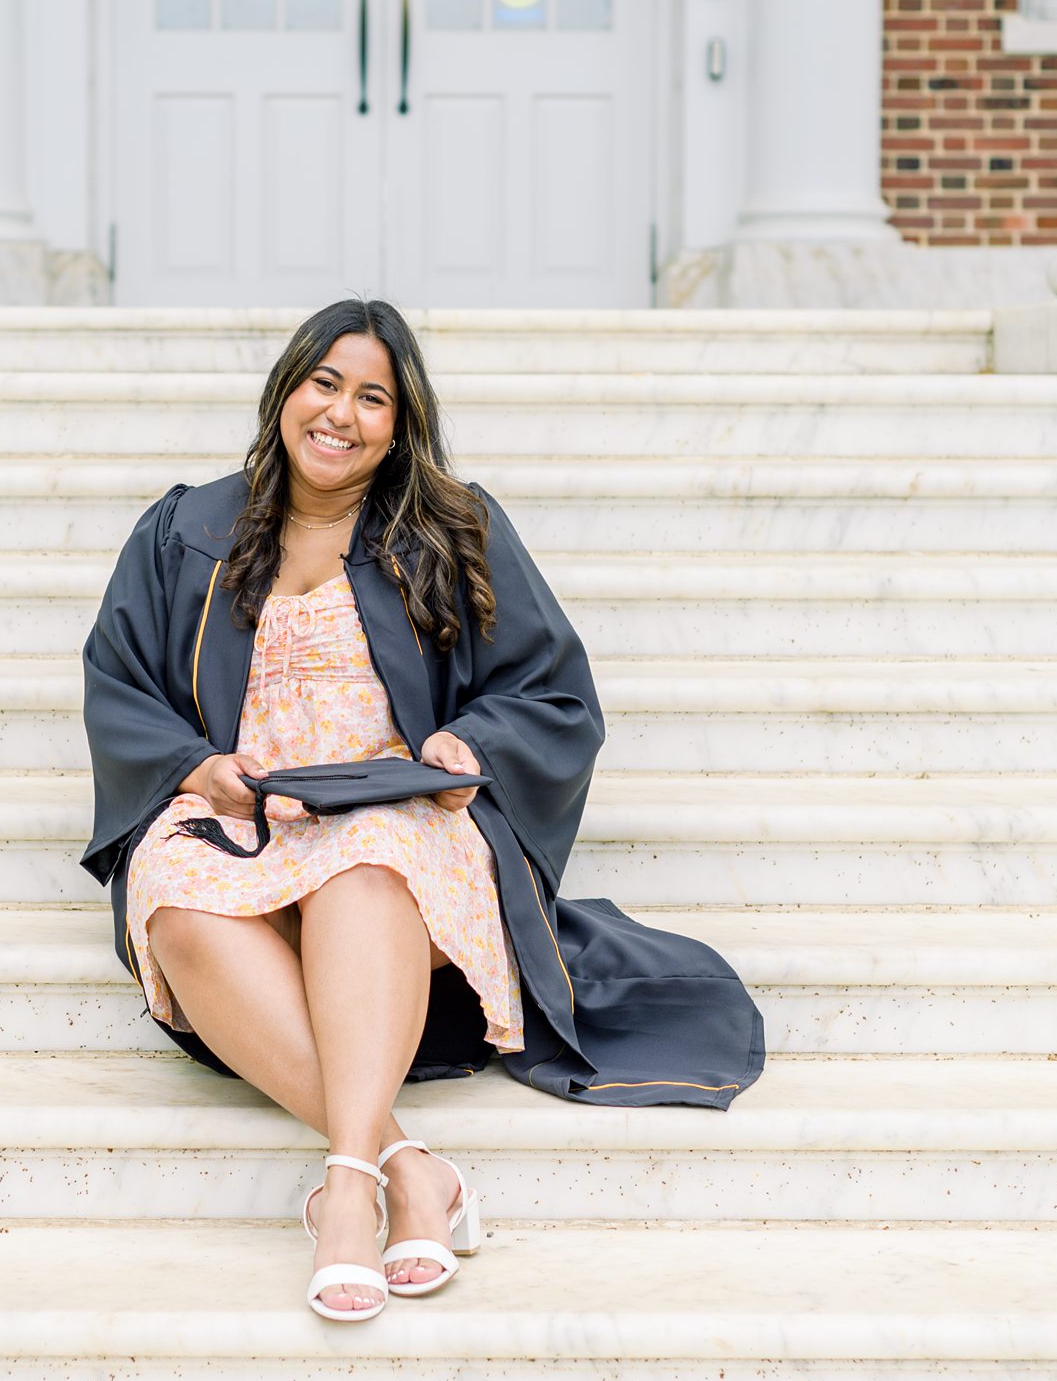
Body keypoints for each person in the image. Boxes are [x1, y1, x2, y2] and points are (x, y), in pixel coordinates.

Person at [80, 297, 765, 1323]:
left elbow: (552, 690)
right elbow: (117, 679)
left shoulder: (452, 527)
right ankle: (409, 1170)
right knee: (171, 889)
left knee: (367, 863)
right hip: (250, 810)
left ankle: (344, 1193)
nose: (341, 414)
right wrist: (192, 767)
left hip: (397, 807)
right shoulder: (187, 530)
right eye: (324, 383)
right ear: (285, 391)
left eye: (373, 397)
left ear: (401, 425)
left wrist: (467, 744)